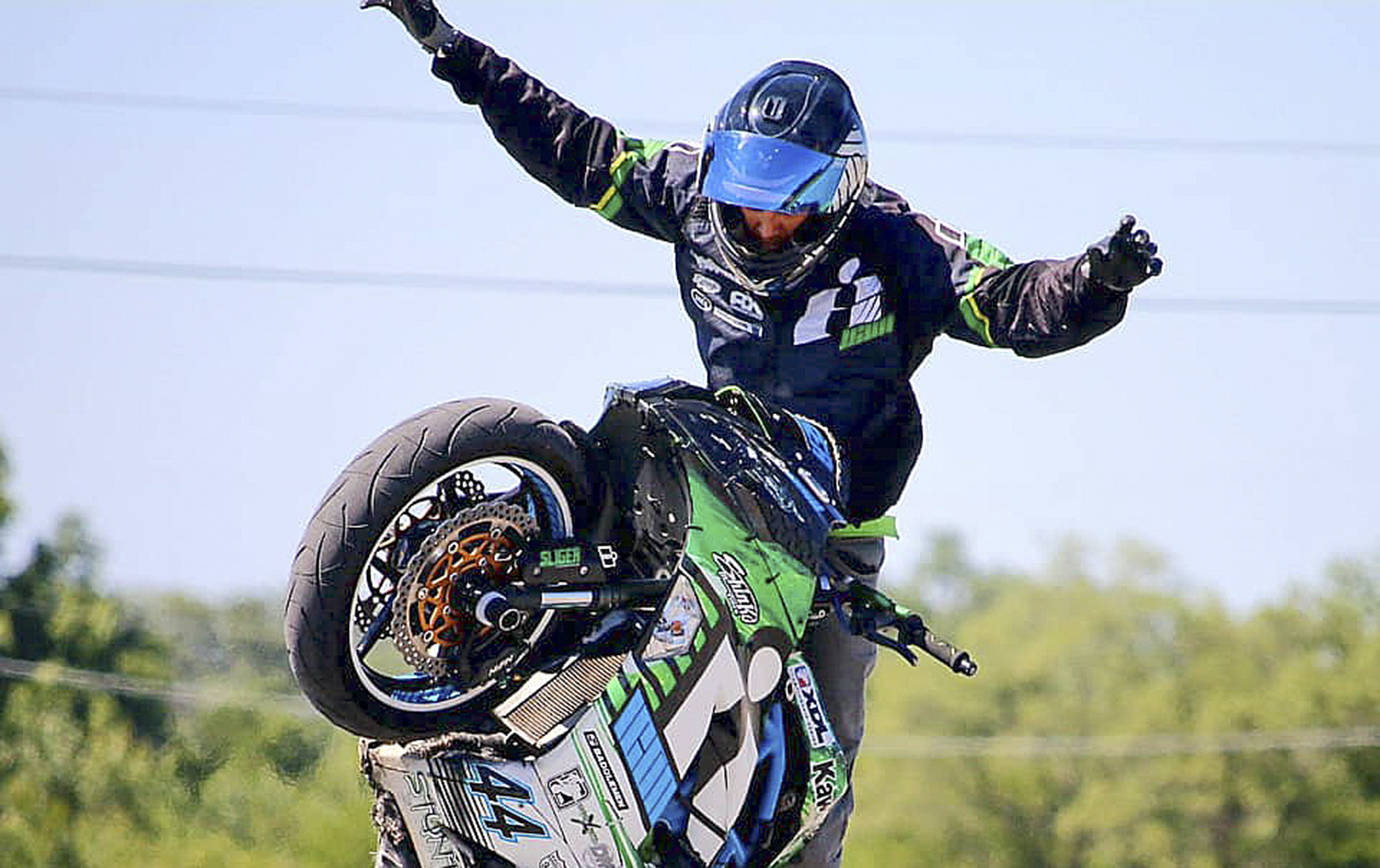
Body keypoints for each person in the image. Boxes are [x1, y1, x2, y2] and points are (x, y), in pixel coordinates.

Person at [363, 2, 1163, 865]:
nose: (763, 224)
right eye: (745, 202)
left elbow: (1011, 301)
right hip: (712, 473)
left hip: (833, 537)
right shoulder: (692, 195)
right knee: (605, 467)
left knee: (827, 761)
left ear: (842, 190)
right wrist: (451, 49)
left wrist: (1094, 282)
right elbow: (576, 147)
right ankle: (476, 674)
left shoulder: (901, 245)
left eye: (789, 209)